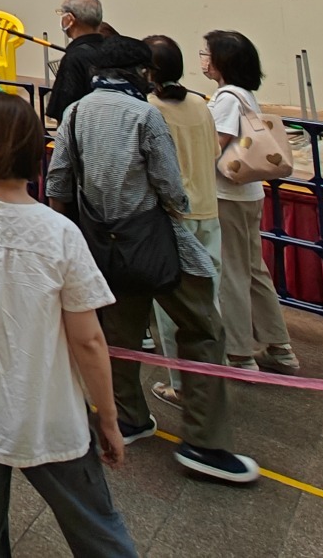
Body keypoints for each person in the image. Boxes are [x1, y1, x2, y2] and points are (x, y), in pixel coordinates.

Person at [0, 93, 136, 558]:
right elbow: (89, 340)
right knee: (97, 530)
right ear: (37, 153)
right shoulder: (58, 233)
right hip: (44, 408)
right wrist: (109, 420)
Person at [49, 36, 258, 484]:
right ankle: (204, 441)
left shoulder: (75, 112)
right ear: (140, 74)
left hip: (101, 244)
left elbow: (59, 183)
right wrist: (176, 205)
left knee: (119, 336)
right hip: (155, 240)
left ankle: (129, 417)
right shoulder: (145, 114)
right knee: (203, 328)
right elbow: (170, 186)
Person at [203, 30, 300, 374]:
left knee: (231, 270)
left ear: (222, 61)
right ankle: (279, 344)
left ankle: (240, 352)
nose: (203, 59)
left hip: (227, 193)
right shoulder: (244, 94)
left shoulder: (227, 98)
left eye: (207, 54)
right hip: (249, 193)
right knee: (255, 270)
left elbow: (215, 144)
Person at [145, 33, 222, 409]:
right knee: (208, 301)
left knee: (173, 309)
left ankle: (181, 383)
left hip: (175, 216)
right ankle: (214, 377)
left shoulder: (149, 109)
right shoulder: (201, 104)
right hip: (208, 210)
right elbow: (214, 151)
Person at [44, 0, 108, 120]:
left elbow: (64, 111)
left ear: (69, 19)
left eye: (62, 14)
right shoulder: (111, 49)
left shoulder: (74, 58)